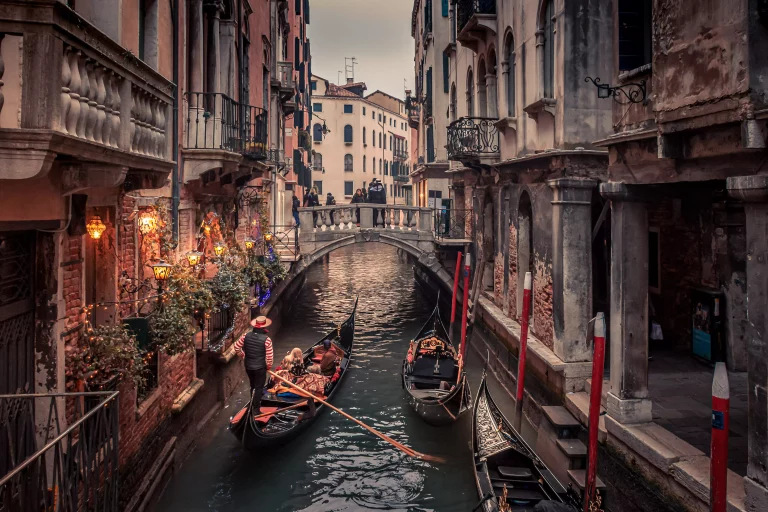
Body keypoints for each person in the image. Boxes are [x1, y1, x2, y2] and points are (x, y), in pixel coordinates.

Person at [234, 316, 274, 410]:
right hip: (260, 368)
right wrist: (268, 367)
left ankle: (252, 404)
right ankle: (256, 409)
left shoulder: (245, 336)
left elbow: (236, 347)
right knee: (259, 387)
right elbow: (269, 358)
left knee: (253, 386)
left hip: (248, 366)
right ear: (264, 327)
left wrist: (243, 356)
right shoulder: (267, 340)